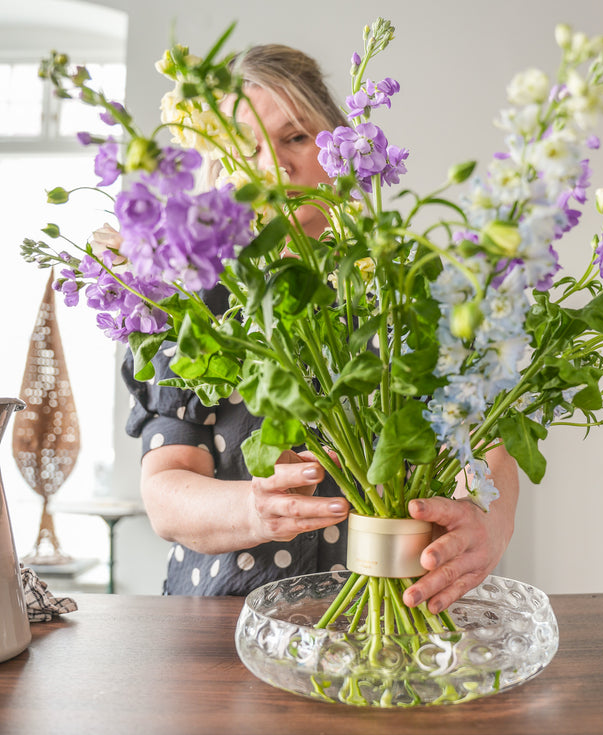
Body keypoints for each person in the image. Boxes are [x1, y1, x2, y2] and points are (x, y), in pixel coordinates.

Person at [123, 44, 519, 614]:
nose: (276, 166)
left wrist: (490, 519)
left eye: (295, 137)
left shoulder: (406, 285)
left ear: (338, 143)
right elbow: (166, 493)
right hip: (222, 626)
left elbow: (488, 441)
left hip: (394, 613)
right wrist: (255, 510)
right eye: (248, 145)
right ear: (216, 162)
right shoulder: (192, 303)